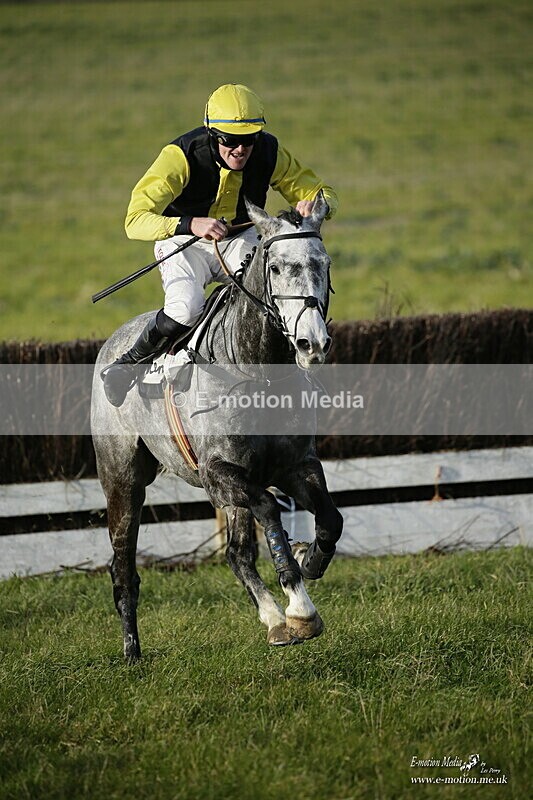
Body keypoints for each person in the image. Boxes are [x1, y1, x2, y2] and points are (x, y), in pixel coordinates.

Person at [102, 83, 338, 406]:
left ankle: (296, 373)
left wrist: (317, 204)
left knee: (269, 293)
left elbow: (322, 192)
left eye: (248, 140)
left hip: (238, 239)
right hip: (184, 241)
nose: (240, 150)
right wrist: (190, 224)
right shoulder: (181, 156)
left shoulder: (269, 151)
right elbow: (135, 218)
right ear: (212, 134)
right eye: (230, 141)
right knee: (186, 307)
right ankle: (129, 364)